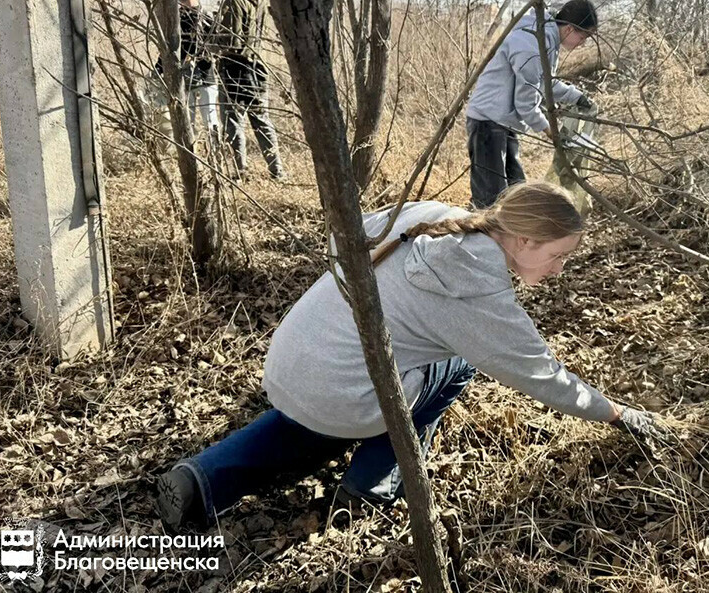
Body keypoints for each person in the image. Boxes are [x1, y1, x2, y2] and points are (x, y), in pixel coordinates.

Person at [154, 180, 666, 530]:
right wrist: (617, 413)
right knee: (456, 366)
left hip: (289, 361)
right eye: (558, 256)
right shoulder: (479, 294)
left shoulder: (436, 214)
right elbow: (542, 376)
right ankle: (371, 485)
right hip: (341, 391)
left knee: (312, 418)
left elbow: (343, 237)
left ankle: (204, 478)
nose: (559, 270)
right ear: (526, 239)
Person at [466, 0, 598, 209]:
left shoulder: (546, 40)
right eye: (583, 37)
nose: (582, 44)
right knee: (491, 201)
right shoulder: (531, 45)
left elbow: (544, 82)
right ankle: (478, 229)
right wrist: (550, 131)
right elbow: (526, 103)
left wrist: (576, 97)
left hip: (504, 122)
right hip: (487, 121)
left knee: (516, 193)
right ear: (569, 29)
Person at [212, 0, 286, 180]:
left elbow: (232, 41)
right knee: (261, 119)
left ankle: (239, 172)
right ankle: (277, 171)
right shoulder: (260, 2)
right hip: (257, 67)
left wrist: (209, 40)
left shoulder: (234, 2)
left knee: (233, 121)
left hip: (235, 69)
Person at [150, 0, 220, 147]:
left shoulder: (202, 17)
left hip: (202, 77)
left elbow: (180, 50)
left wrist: (158, 69)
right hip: (190, 79)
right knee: (192, 122)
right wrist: (158, 68)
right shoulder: (182, 18)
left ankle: (215, 152)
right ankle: (195, 153)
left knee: (208, 121)